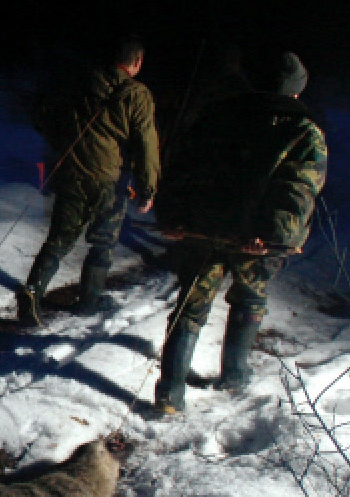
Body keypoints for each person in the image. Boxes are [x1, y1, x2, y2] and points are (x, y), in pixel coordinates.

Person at [152, 51, 327, 414]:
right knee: (249, 300)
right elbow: (297, 187)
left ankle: (170, 394)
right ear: (295, 91)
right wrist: (274, 237)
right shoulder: (303, 130)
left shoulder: (219, 114)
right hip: (255, 241)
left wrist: (173, 214)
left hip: (204, 228)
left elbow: (182, 164)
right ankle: (234, 377)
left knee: (190, 304)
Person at [19, 35, 161, 326]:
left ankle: (32, 291)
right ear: (136, 62)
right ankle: (88, 303)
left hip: (72, 172)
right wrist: (149, 186)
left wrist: (61, 143)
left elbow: (46, 114)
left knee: (59, 238)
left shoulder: (80, 83)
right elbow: (147, 142)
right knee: (103, 243)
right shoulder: (136, 94)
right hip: (109, 177)